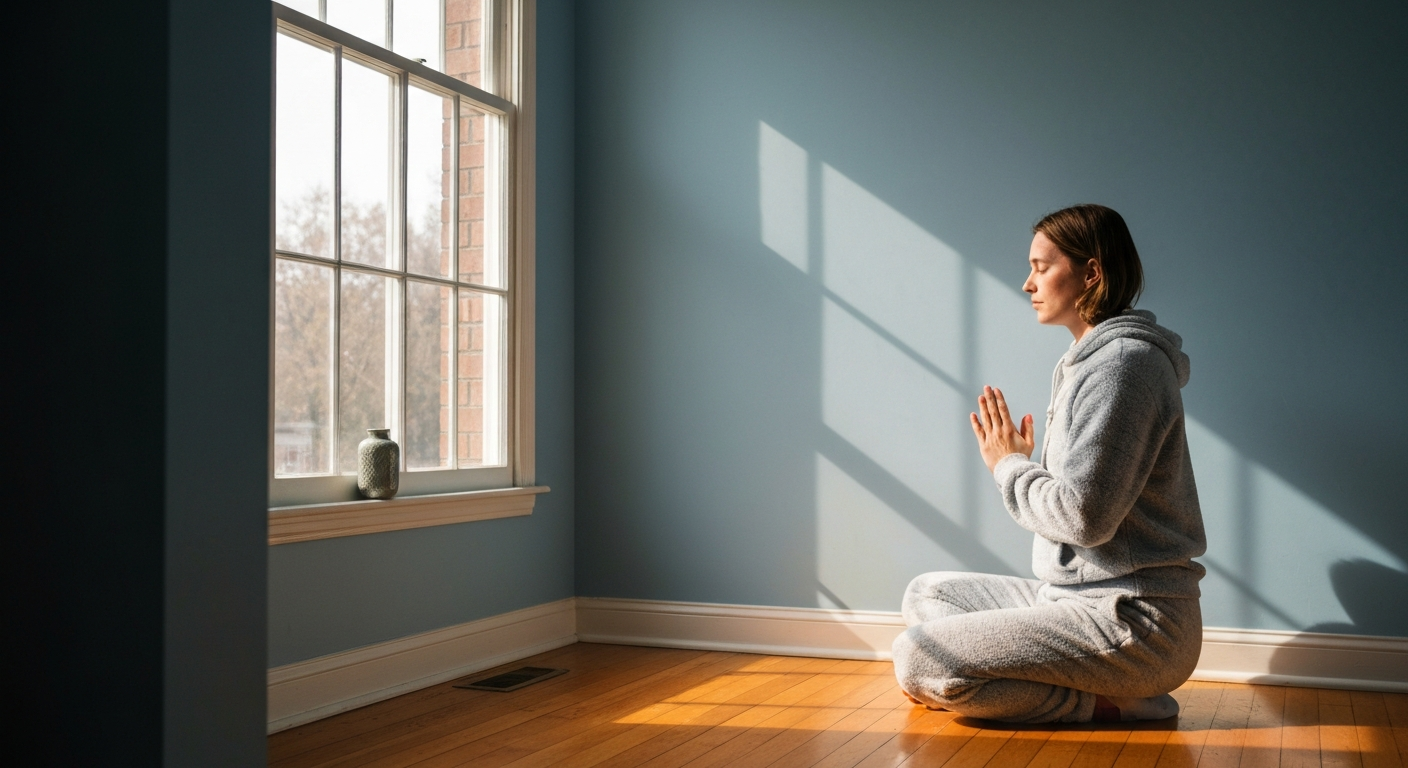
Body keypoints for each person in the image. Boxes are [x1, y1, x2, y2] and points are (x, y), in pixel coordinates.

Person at [891, 204, 1207, 723]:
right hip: (1068, 599)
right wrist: (1020, 465)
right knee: (928, 594)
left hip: (1137, 621)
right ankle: (1071, 681)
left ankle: (1112, 699)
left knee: (919, 657)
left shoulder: (1124, 367)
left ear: (1092, 272)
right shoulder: (1086, 361)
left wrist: (1008, 466)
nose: (1027, 283)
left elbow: (1084, 519)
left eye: (1041, 267)